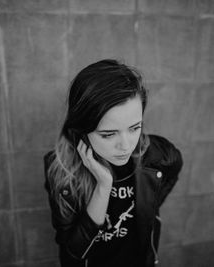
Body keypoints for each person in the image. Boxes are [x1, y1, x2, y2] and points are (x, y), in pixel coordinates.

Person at [43, 59, 183, 267]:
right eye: (108, 134)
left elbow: (174, 165)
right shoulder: (62, 171)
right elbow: (75, 251)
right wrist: (103, 186)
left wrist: (150, 205)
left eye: (134, 128)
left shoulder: (156, 154)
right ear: (81, 129)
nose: (125, 146)